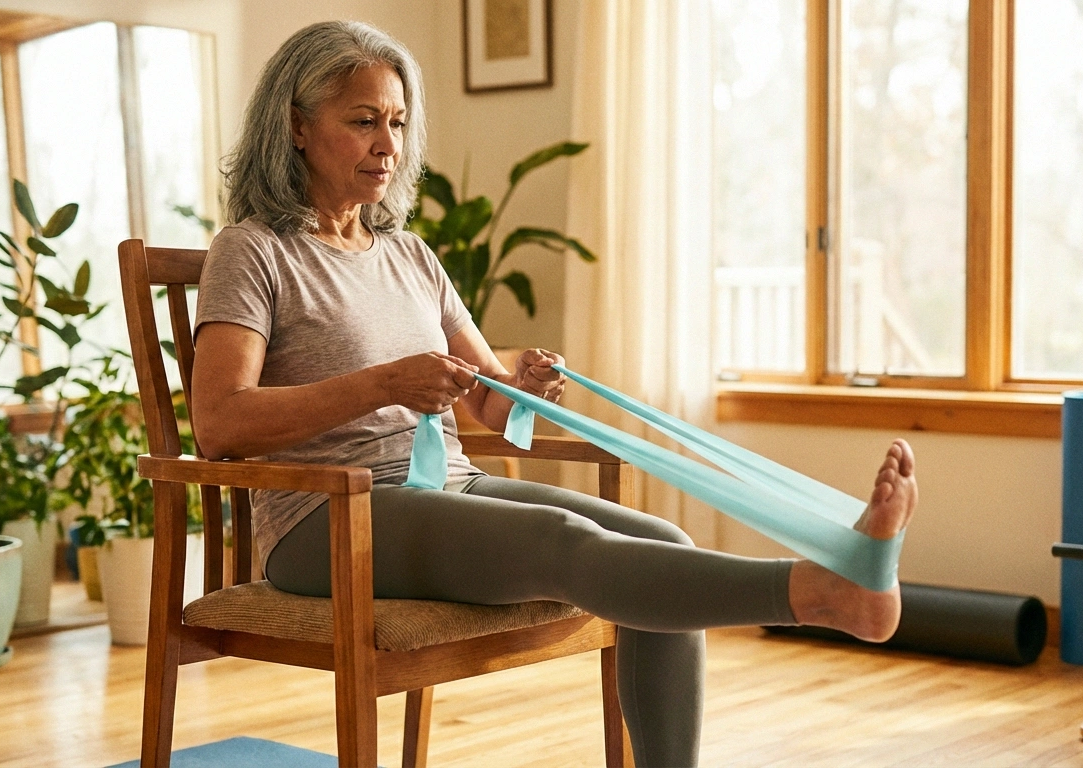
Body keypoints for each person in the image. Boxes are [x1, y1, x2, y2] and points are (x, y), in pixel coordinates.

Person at [192, 20, 918, 768]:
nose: (390, 145)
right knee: (557, 544)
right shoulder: (253, 252)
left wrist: (525, 388)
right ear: (296, 126)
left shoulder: (409, 256)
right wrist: (382, 384)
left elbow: (490, 406)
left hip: (443, 488)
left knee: (662, 540)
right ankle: (822, 594)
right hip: (326, 517)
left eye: (399, 122)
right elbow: (219, 423)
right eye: (364, 121)